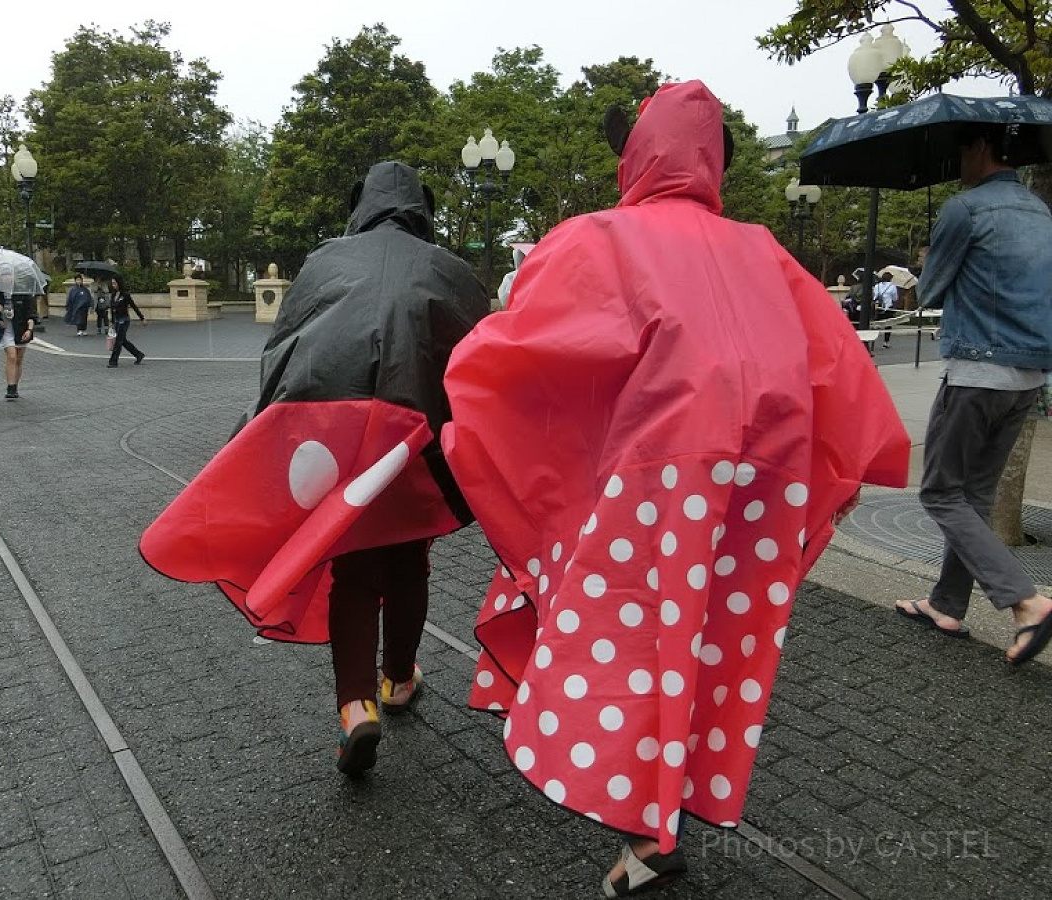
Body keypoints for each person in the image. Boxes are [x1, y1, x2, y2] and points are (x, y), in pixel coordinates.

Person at [440, 81, 911, 896]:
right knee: (712, 646)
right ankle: (667, 812)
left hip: (651, 485)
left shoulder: (599, 238)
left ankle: (645, 829)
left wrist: (479, 427)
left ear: (637, 155)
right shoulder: (767, 251)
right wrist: (841, 475)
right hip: (758, 494)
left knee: (628, 643)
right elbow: (840, 373)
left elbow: (518, 356)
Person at [141, 161, 489, 777]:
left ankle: (356, 709)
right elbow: (475, 361)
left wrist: (263, 423)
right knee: (408, 558)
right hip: (414, 438)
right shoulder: (450, 271)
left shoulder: (327, 259)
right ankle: (399, 680)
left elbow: (285, 345)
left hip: (336, 437)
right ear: (422, 210)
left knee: (353, 564)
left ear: (362, 205)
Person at [894, 122, 1052, 666]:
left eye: (961, 149)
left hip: (978, 373)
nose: (958, 161)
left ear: (982, 147)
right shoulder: (1039, 210)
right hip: (1029, 379)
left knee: (940, 492)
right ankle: (945, 604)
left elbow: (930, 288)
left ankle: (1026, 601)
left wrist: (930, 253)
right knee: (975, 497)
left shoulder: (967, 209)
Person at [0, 293, 37, 400]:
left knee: (19, 358)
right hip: (5, 330)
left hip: (20, 328)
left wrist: (29, 329)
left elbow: (31, 313)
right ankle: (10, 387)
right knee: (12, 356)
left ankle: (15, 386)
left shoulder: (24, 293)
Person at [106, 276, 146, 367]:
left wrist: (142, 318)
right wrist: (112, 322)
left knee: (118, 341)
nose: (113, 285)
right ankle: (138, 354)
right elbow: (112, 309)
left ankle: (113, 361)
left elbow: (134, 306)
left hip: (124, 320)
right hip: (116, 320)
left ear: (119, 283)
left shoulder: (125, 295)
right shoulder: (113, 295)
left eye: (115, 283)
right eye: (112, 283)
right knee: (122, 340)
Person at [872, 270, 899, 346]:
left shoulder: (877, 286)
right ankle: (886, 342)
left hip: (878, 306)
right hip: (888, 307)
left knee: (876, 324)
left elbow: (874, 296)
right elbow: (895, 298)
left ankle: (872, 340)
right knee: (888, 325)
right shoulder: (892, 286)